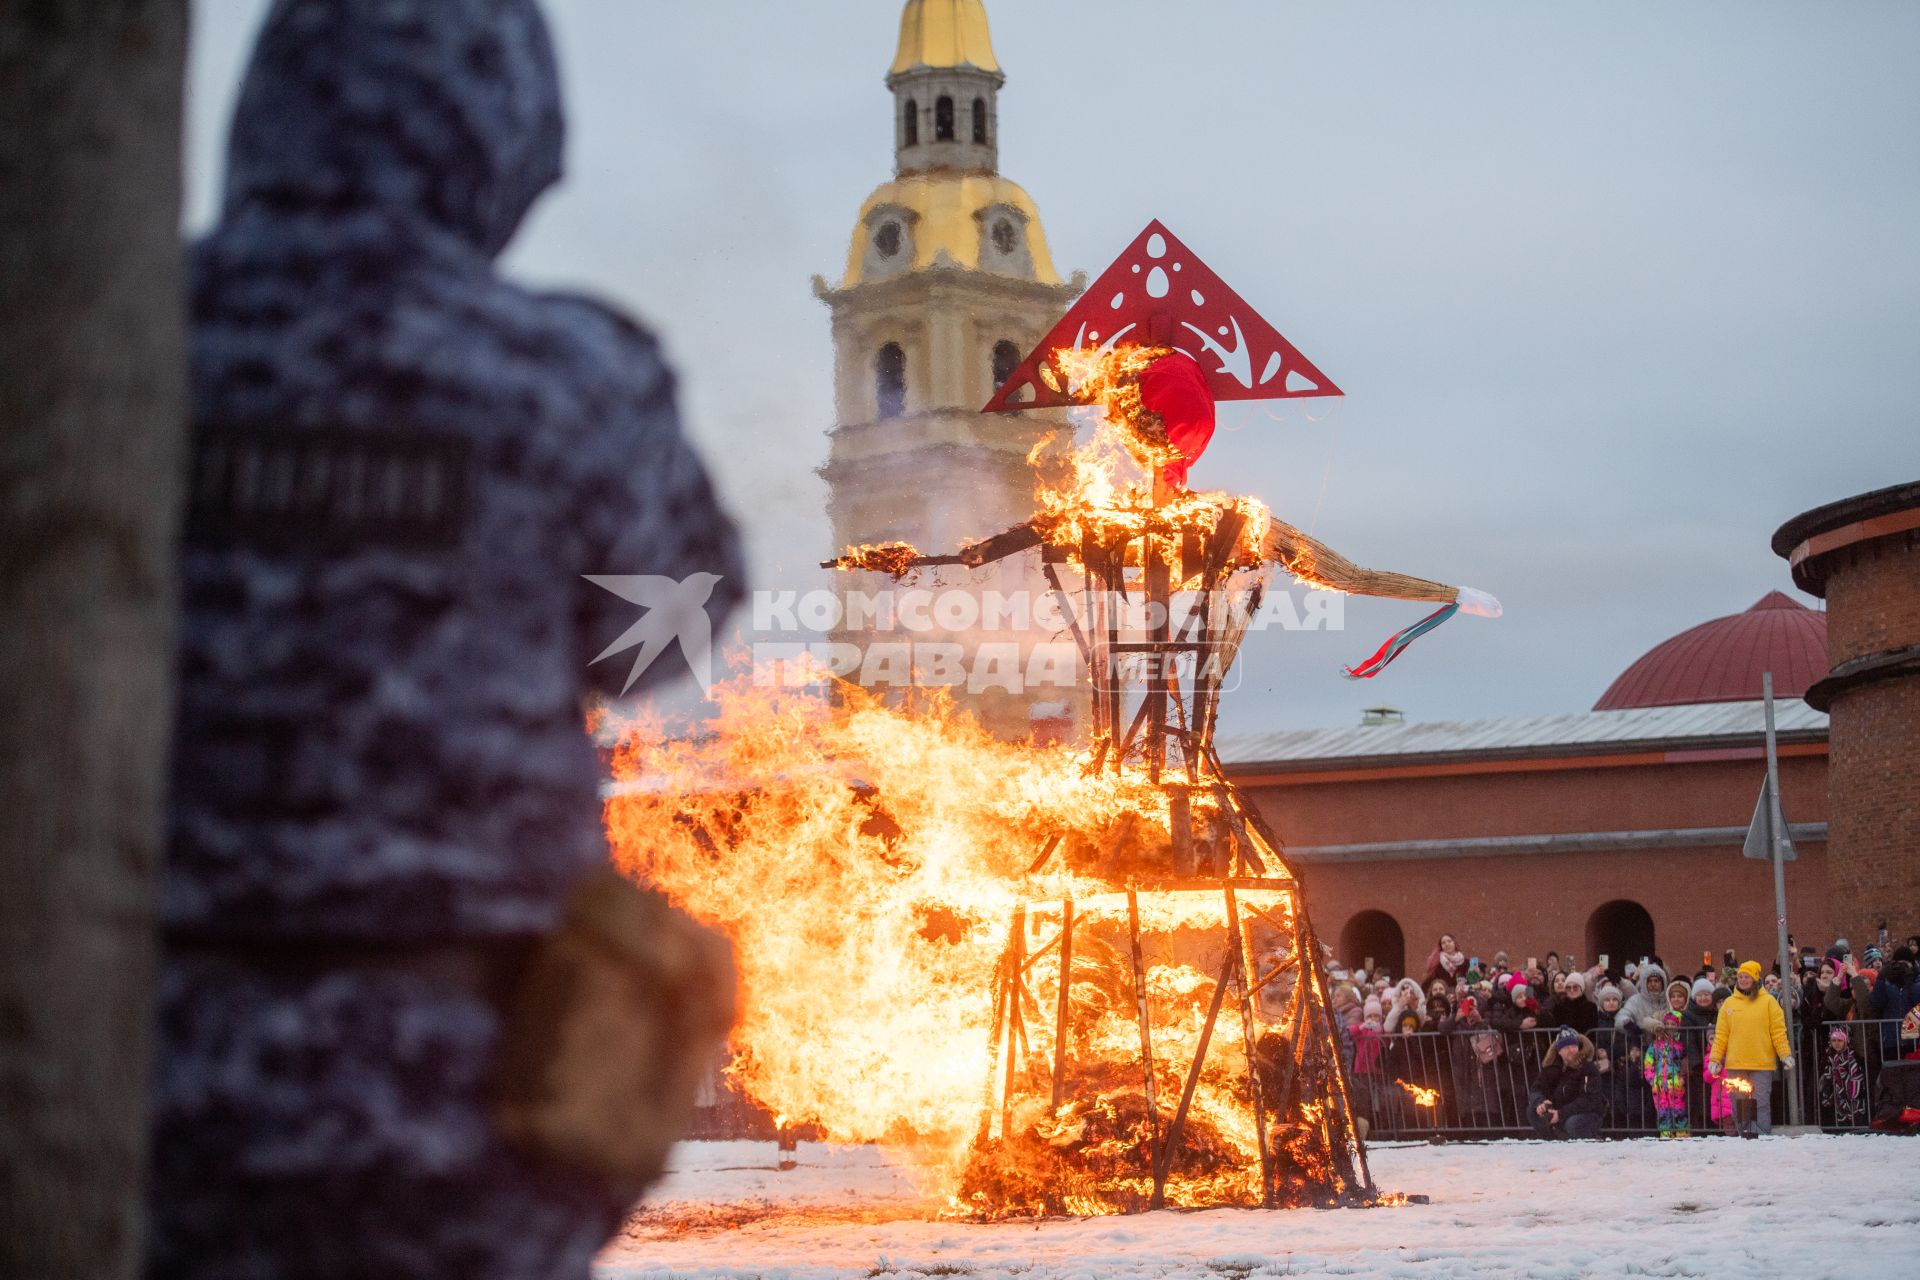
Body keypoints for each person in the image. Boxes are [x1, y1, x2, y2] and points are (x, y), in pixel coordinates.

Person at [150, 2, 744, 1275]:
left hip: (124, 1060)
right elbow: (671, 634)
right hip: (467, 1093)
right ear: (497, 140)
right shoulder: (563, 378)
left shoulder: (106, 341)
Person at [1710, 961, 1794, 1136]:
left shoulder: (1769, 1002)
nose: (1743, 980)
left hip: (1762, 1064)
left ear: (1755, 978)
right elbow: (1721, 1035)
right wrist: (1715, 1059)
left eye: (1747, 976)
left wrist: (1785, 1054)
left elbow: (1778, 1032)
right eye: (1740, 977)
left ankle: (1761, 1137)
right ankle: (1744, 1136)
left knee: (1760, 1103)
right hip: (1736, 1064)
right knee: (1739, 1103)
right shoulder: (1729, 1004)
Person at [1528, 1027, 1606, 1139]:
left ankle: (1589, 1138)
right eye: (1566, 1047)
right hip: (1559, 1111)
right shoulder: (1551, 1068)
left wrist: (1560, 1114)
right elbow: (1536, 1089)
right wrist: (1541, 1103)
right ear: (1559, 1051)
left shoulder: (1588, 1068)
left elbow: (1588, 1100)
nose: (1571, 1050)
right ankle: (1552, 1142)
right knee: (1532, 1110)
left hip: (1587, 1113)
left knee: (1573, 1124)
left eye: (1573, 1046)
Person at [1642, 1008, 1691, 1138]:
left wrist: (1682, 1078)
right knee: (1662, 1109)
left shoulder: (1681, 1044)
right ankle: (1665, 1132)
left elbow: (1685, 1062)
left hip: (1675, 1082)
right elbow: (1648, 1062)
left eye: (1673, 1024)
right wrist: (1652, 1079)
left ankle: (1682, 1132)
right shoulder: (1656, 1044)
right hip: (1659, 1083)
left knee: (1679, 1108)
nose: (1669, 1027)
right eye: (1667, 1024)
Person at [1820, 1023, 1867, 1128]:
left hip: (1851, 1092)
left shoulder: (1851, 1056)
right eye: (1834, 1041)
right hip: (1839, 1091)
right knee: (1841, 1112)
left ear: (1846, 1041)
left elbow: (1856, 1076)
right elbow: (1828, 1075)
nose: (1837, 1044)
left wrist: (1852, 1092)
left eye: (1840, 1041)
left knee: (1855, 1112)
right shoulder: (1830, 1056)